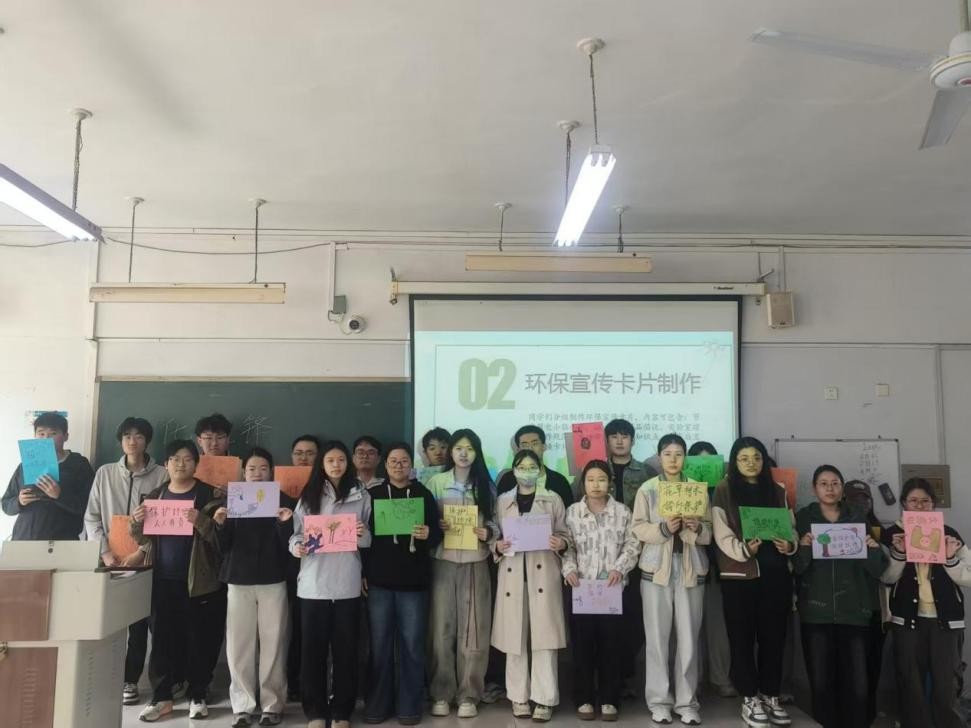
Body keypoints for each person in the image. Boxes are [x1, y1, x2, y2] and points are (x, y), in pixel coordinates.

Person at [130, 439, 223, 722]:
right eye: (174, 459)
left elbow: (223, 540)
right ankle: (162, 698)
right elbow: (143, 539)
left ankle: (198, 694)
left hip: (199, 581)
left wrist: (202, 521)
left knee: (200, 639)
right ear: (166, 464)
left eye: (187, 459)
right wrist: (136, 522)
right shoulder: (155, 495)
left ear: (196, 464)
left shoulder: (210, 496)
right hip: (163, 579)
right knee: (162, 640)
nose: (180, 464)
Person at [84, 416, 168, 707]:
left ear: (147, 441)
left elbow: (165, 521)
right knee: (112, 622)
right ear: (121, 441)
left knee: (145, 622)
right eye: (127, 436)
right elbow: (91, 517)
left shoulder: (162, 475)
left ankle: (143, 681)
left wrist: (142, 551)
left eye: (139, 436)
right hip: (111, 561)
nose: (133, 441)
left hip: (148, 560)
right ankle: (117, 679)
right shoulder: (105, 473)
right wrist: (106, 552)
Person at [712, 436, 796, 728]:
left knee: (774, 637)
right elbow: (721, 532)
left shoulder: (777, 490)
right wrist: (743, 551)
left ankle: (771, 694)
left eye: (757, 457)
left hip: (775, 574)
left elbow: (790, 527)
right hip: (740, 575)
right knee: (742, 638)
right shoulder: (724, 489)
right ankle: (749, 697)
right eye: (744, 458)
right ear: (735, 461)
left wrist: (790, 545)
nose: (751, 463)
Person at [793, 465, 886, 728]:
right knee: (821, 684)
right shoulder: (803, 518)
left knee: (857, 686)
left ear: (842, 488)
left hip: (854, 612)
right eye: (824, 484)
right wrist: (804, 548)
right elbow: (797, 567)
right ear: (814, 489)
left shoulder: (857, 518)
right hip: (816, 613)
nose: (830, 489)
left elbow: (877, 569)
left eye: (835, 483)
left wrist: (872, 549)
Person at [289, 441, 372, 728]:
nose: (336, 465)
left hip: (347, 582)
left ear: (348, 463)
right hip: (313, 584)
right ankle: (315, 711)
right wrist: (297, 547)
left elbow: (369, 539)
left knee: (346, 651)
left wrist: (362, 534)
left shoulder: (361, 494)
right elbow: (296, 535)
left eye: (340, 460)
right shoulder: (309, 495)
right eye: (330, 460)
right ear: (322, 465)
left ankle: (341, 711)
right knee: (312, 651)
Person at [213, 447, 294, 727]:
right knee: (239, 644)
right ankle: (242, 706)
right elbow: (222, 547)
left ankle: (272, 704)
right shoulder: (232, 499)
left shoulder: (284, 500)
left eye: (263, 468)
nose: (257, 474)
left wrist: (285, 524)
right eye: (251, 469)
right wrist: (220, 525)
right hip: (239, 579)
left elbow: (291, 545)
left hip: (273, 578)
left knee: (274, 642)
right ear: (243, 473)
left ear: (271, 471)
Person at [632, 434, 710, 726]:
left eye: (678, 454)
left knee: (689, 639)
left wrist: (696, 527)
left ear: (685, 457)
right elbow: (638, 528)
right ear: (659, 457)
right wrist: (664, 529)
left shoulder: (696, 489)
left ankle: (687, 702)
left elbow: (709, 533)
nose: (673, 459)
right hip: (656, 570)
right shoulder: (648, 489)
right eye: (668, 454)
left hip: (691, 569)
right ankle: (659, 702)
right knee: (656, 638)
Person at [881, 477, 971, 728]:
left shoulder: (949, 534)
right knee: (912, 685)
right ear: (904, 504)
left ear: (933, 504)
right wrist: (899, 553)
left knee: (947, 685)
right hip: (907, 620)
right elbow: (886, 577)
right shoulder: (892, 535)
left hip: (946, 621)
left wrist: (950, 559)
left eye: (925, 501)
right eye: (913, 501)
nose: (919, 506)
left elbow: (969, 575)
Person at [364, 443, 442, 725]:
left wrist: (428, 533)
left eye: (404, 461)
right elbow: (363, 538)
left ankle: (410, 706)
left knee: (412, 646)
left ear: (412, 465)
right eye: (394, 461)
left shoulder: (424, 494)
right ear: (385, 465)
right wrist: (362, 573)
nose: (399, 466)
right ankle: (378, 704)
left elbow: (437, 535)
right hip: (379, 583)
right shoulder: (372, 495)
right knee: (380, 646)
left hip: (414, 583)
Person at [492, 449, 571, 722]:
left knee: (544, 639)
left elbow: (565, 533)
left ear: (540, 469)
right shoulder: (503, 500)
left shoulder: (553, 499)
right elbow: (495, 533)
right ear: (513, 470)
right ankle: (518, 696)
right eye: (521, 466)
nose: (527, 471)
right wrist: (497, 545)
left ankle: (545, 699)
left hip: (543, 575)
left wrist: (561, 542)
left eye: (532, 466)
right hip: (513, 575)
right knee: (515, 639)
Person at [425, 429, 496, 719]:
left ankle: (469, 693)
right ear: (451, 452)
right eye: (458, 448)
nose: (464, 453)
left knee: (474, 631)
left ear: (477, 452)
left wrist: (488, 532)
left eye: (469, 448)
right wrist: (436, 525)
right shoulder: (436, 483)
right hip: (443, 561)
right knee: (441, 630)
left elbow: (497, 523)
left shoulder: (486, 486)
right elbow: (425, 521)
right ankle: (441, 692)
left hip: (476, 561)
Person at [562, 459, 640, 721]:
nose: (596, 485)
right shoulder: (572, 512)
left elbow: (632, 544)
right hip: (582, 589)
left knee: (611, 646)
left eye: (602, 479)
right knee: (582, 646)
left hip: (612, 590)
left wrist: (620, 568)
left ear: (610, 483)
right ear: (583, 483)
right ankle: (584, 698)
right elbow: (566, 546)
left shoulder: (623, 512)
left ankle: (609, 699)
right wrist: (569, 569)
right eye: (591, 479)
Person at [601, 418, 658, 696]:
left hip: (639, 553)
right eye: (614, 436)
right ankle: (607, 678)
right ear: (607, 441)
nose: (620, 441)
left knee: (634, 617)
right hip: (602, 556)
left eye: (625, 436)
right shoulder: (596, 470)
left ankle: (627, 675)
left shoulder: (647, 472)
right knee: (606, 619)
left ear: (633, 441)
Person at [687, 440, 736, 699]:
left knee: (719, 628)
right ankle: (692, 680)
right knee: (688, 629)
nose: (703, 468)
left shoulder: (726, 491)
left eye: (709, 462)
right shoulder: (681, 490)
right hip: (688, 566)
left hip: (720, 568)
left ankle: (720, 677)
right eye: (697, 463)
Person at [2, 411, 94, 541]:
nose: (46, 438)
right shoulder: (26, 465)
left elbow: (90, 507)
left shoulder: (78, 464)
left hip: (62, 541)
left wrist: (60, 495)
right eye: (41, 433)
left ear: (66, 436)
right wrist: (19, 501)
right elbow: (6, 504)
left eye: (53, 433)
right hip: (24, 538)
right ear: (35, 436)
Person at [842, 479, 886, 725]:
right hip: (848, 610)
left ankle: (869, 716)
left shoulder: (881, 530)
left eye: (865, 498)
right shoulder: (837, 530)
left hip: (876, 611)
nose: (861, 503)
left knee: (872, 667)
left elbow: (886, 570)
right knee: (851, 671)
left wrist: (876, 547)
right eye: (854, 499)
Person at [286, 434, 321, 700]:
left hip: (317, 567)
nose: (304, 458)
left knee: (308, 627)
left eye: (310, 453)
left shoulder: (326, 486)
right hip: (284, 565)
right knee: (288, 628)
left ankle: (308, 682)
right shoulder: (278, 485)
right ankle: (291, 681)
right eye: (299, 453)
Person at [496, 425, 573, 507]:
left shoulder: (559, 481)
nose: (530, 448)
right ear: (518, 450)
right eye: (525, 445)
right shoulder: (507, 480)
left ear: (544, 447)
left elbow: (567, 512)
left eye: (535, 444)